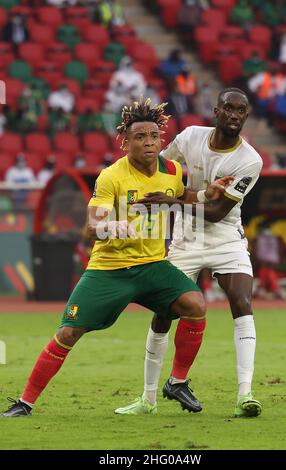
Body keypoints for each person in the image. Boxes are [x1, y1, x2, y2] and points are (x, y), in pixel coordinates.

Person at [2, 97, 231, 417]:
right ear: (126, 142)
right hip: (109, 269)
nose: (149, 142)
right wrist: (109, 226)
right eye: (140, 137)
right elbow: (89, 229)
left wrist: (210, 192)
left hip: (152, 265)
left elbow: (184, 196)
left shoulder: (173, 170)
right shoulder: (112, 177)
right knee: (68, 332)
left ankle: (177, 382)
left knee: (195, 304)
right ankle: (24, 403)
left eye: (153, 136)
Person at [115, 88, 263, 418]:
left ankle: (245, 394)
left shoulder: (249, 161)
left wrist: (171, 201)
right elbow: (160, 168)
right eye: (229, 108)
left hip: (227, 239)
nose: (235, 115)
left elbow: (216, 212)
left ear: (246, 116)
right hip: (185, 242)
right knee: (163, 314)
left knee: (243, 303)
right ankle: (148, 398)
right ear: (216, 111)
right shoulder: (190, 137)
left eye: (241, 110)